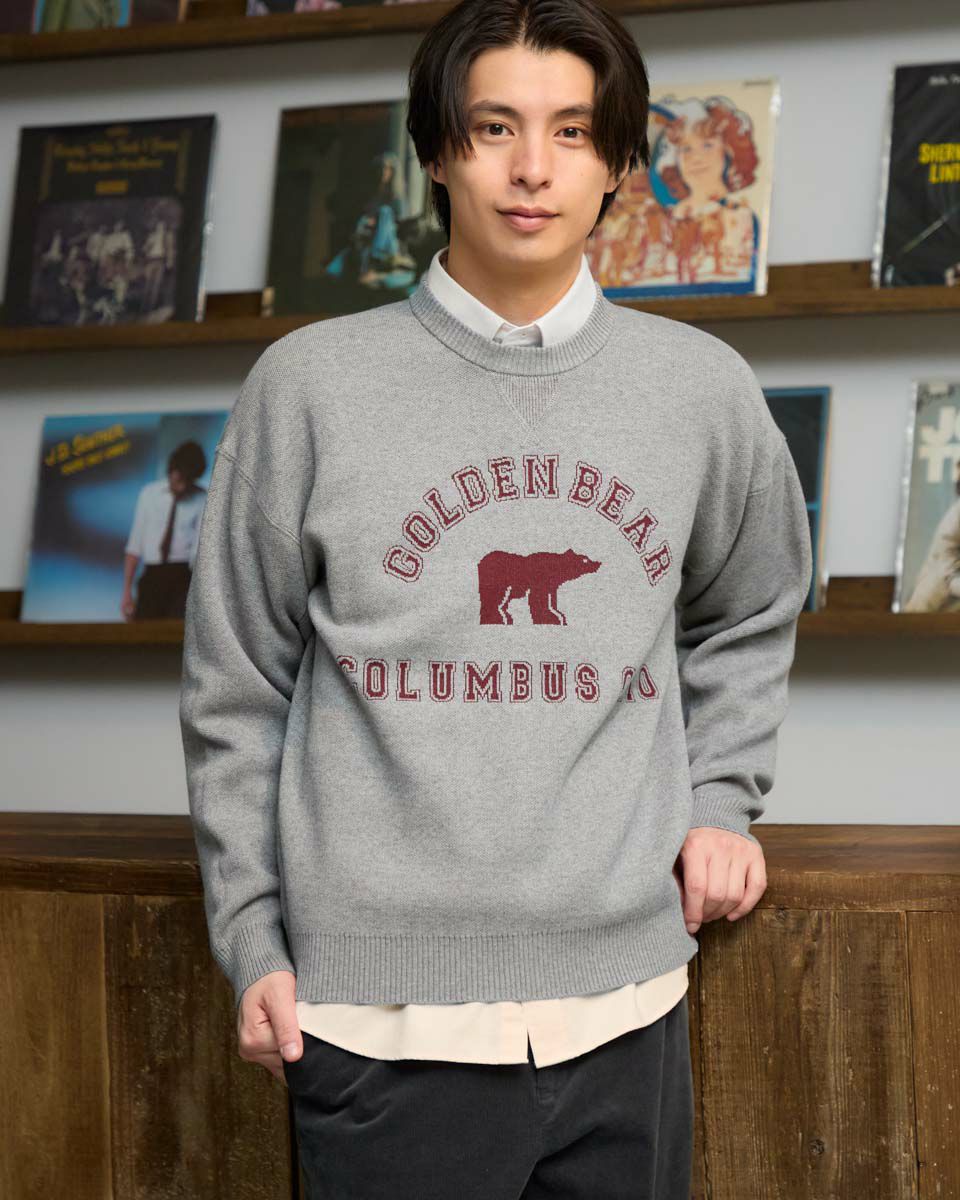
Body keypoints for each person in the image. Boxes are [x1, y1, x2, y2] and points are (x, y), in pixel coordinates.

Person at [178, 0, 813, 1195]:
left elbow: (753, 606)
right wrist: (250, 935)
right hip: (377, 1027)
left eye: (573, 131)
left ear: (618, 162)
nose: (533, 169)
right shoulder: (307, 387)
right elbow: (236, 689)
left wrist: (723, 799)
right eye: (493, 128)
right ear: (437, 151)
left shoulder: (701, 392)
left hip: (630, 1009)